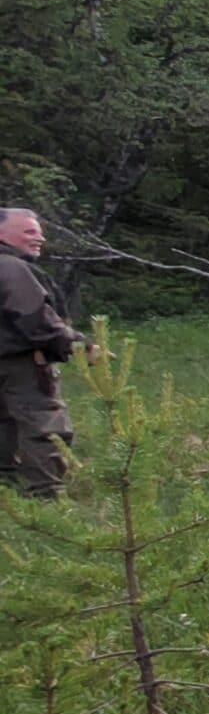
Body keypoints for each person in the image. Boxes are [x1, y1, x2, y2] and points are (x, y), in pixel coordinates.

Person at [0, 208, 84, 500]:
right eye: (29, 232)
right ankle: (47, 499)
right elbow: (36, 319)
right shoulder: (11, 268)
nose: (40, 238)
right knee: (43, 426)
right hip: (21, 366)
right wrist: (77, 346)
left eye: (39, 231)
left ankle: (7, 492)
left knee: (5, 426)